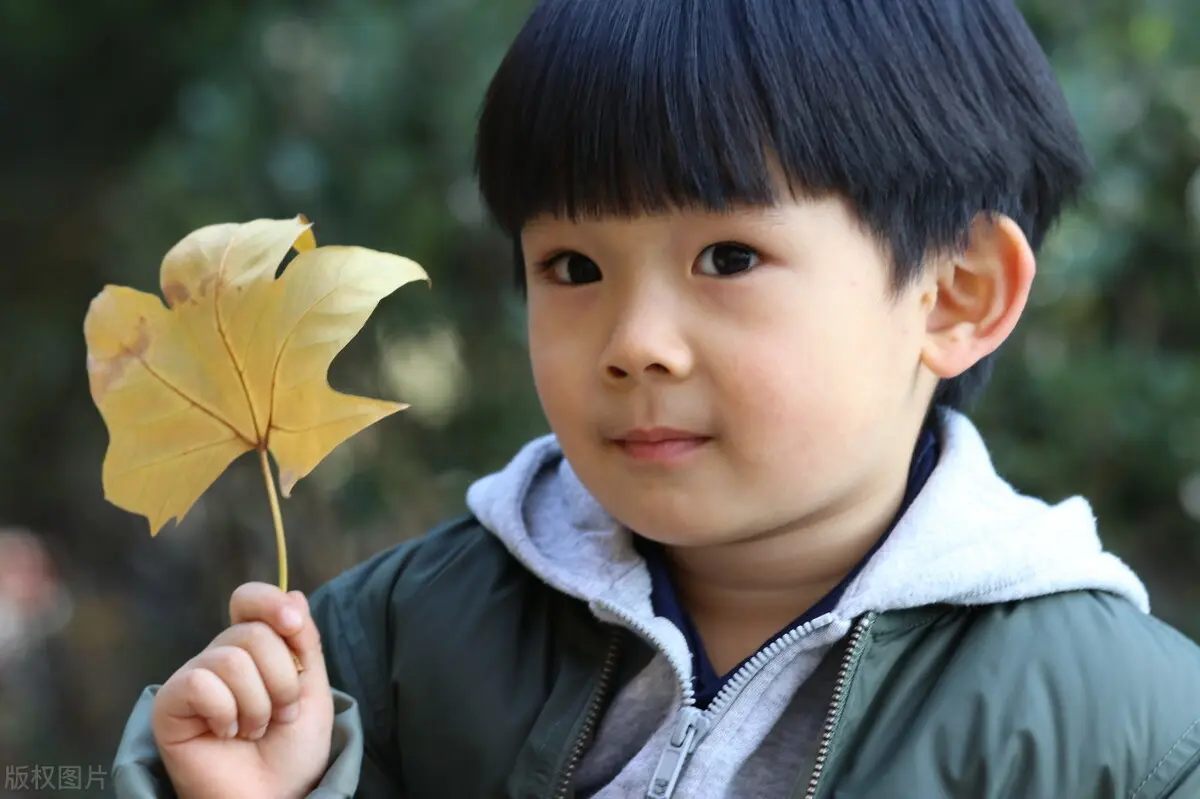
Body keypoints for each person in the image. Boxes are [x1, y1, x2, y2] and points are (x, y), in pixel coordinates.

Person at [111, 1, 1200, 796]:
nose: (633, 344)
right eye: (573, 269)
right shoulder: (384, 653)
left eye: (727, 257)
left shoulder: (1125, 730)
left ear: (955, 294)